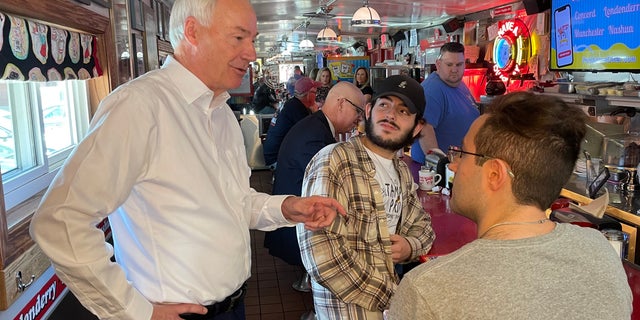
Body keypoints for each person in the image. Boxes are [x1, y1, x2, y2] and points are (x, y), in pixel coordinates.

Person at [29, 1, 346, 320]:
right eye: (239, 38)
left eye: (252, 39)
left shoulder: (221, 111)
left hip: (234, 307)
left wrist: (286, 207)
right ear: (193, 32)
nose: (251, 53)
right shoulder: (139, 106)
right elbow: (60, 220)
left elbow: (234, 202)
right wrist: (136, 311)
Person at [388, 92, 632, 319]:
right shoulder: (600, 252)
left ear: (495, 174)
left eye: (463, 153)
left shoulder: (428, 291)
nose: (453, 165)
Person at [297, 75, 436, 320]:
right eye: (385, 105)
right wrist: (395, 297)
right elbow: (322, 259)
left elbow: (423, 227)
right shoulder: (333, 160)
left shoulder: (401, 171)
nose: (391, 115)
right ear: (369, 111)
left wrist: (409, 247)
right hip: (348, 310)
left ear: (416, 127)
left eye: (403, 111)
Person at [265, 81, 365, 317]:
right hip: (296, 224)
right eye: (358, 112)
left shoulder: (316, 127)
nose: (359, 120)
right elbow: (329, 189)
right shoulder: (316, 136)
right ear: (341, 104)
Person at [410, 42, 480, 164]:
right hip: (438, 171)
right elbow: (425, 129)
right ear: (438, 64)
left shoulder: (459, 84)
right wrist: (440, 167)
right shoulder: (432, 90)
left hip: (460, 164)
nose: (454, 69)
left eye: (459, 64)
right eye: (449, 64)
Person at [262, 76, 320, 166]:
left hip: (271, 154)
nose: (316, 95)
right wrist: (316, 113)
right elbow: (312, 135)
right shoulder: (298, 109)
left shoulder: (292, 104)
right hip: (277, 158)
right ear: (308, 95)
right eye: (314, 92)